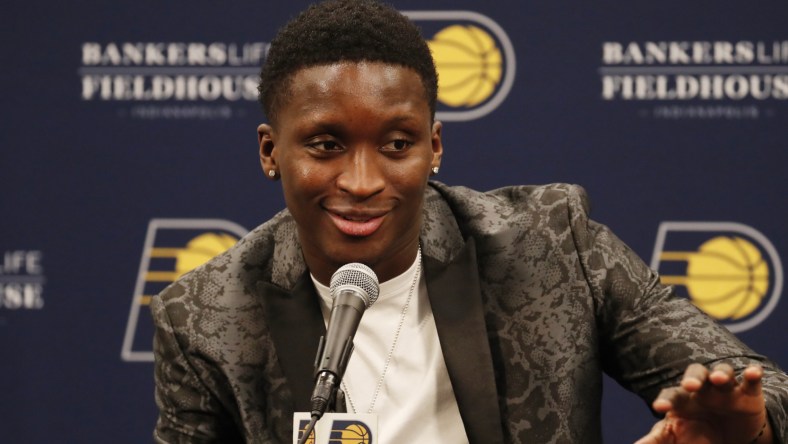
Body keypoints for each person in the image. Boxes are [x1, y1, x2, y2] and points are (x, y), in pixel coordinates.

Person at [150, 0, 788, 442]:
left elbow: (763, 390)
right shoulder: (204, 317)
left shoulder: (553, 246)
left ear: (435, 148)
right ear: (271, 152)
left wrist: (752, 429)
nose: (363, 181)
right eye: (326, 145)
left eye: (397, 145)